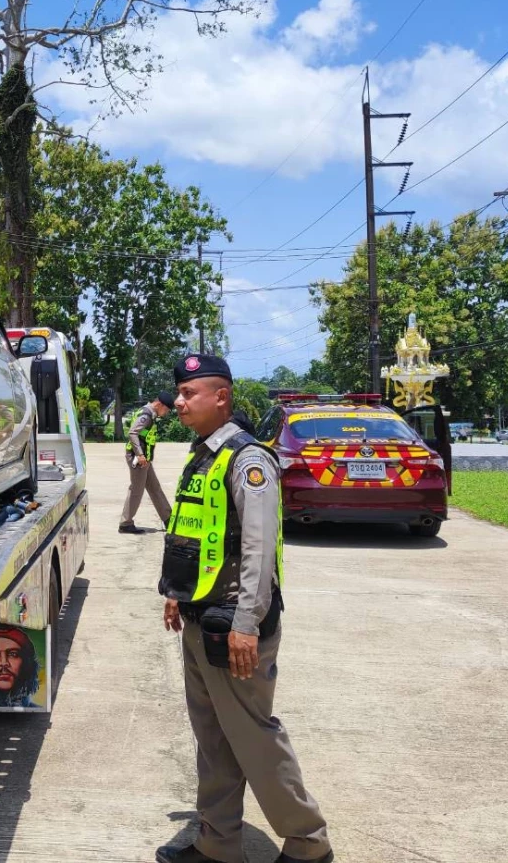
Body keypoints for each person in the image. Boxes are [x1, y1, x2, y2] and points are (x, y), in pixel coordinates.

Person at [156, 353, 333, 863]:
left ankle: (308, 844)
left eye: (191, 394)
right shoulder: (203, 454)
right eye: (180, 393)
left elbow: (259, 549)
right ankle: (218, 844)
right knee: (213, 740)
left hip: (234, 623)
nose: (181, 402)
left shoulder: (248, 459)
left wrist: (247, 625)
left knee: (254, 738)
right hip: (199, 617)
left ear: (222, 397)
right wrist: (176, 592)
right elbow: (194, 530)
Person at [120, 390, 176, 534]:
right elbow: (133, 433)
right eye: (167, 410)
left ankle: (168, 519)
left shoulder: (150, 414)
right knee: (136, 490)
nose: (166, 413)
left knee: (154, 487)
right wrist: (139, 455)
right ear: (159, 404)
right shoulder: (146, 415)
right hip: (138, 458)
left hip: (145, 458)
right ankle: (126, 523)